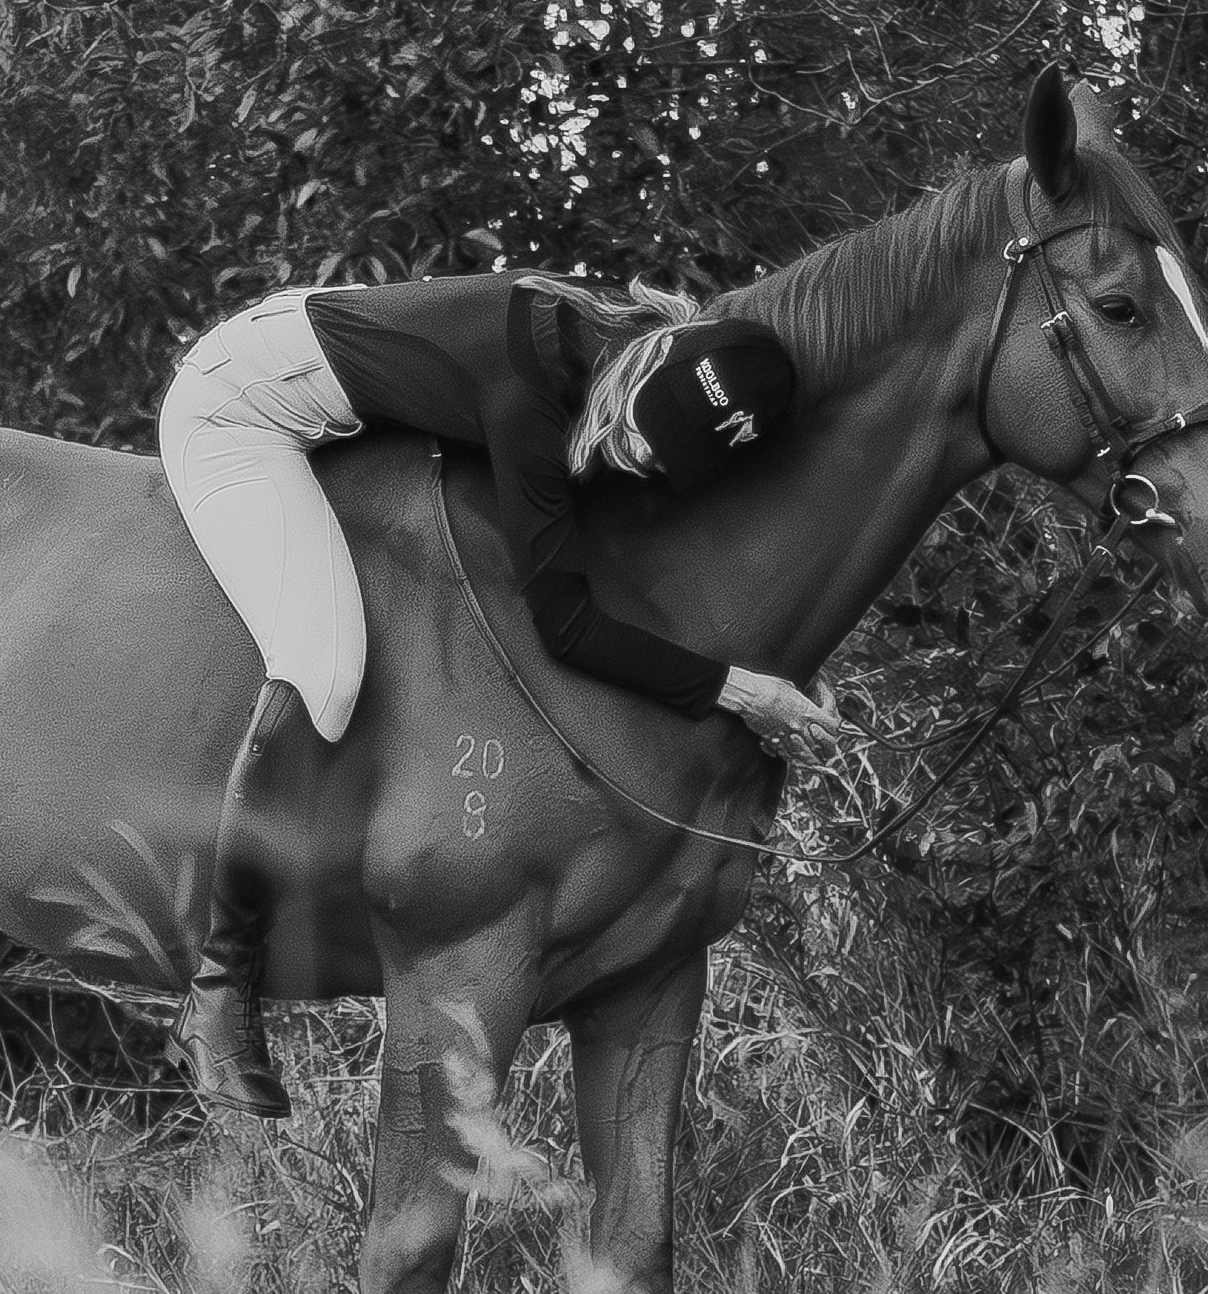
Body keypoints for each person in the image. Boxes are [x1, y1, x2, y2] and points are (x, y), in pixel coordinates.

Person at [158, 269, 853, 1117]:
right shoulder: (526, 397)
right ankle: (218, 989)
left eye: (671, 453)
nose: (643, 454)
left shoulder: (617, 344)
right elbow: (566, 625)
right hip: (242, 406)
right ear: (650, 358)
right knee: (324, 665)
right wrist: (738, 690)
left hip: (342, 393)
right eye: (646, 425)